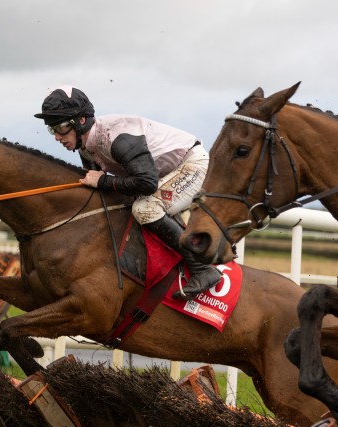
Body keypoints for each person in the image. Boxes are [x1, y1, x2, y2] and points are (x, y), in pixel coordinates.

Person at [34, 86, 221, 299]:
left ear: (81, 121)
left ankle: (203, 269)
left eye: (59, 127)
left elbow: (147, 183)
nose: (56, 137)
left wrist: (104, 181)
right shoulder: (86, 147)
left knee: (145, 208)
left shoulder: (117, 138)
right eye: (51, 129)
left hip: (190, 165)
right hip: (163, 174)